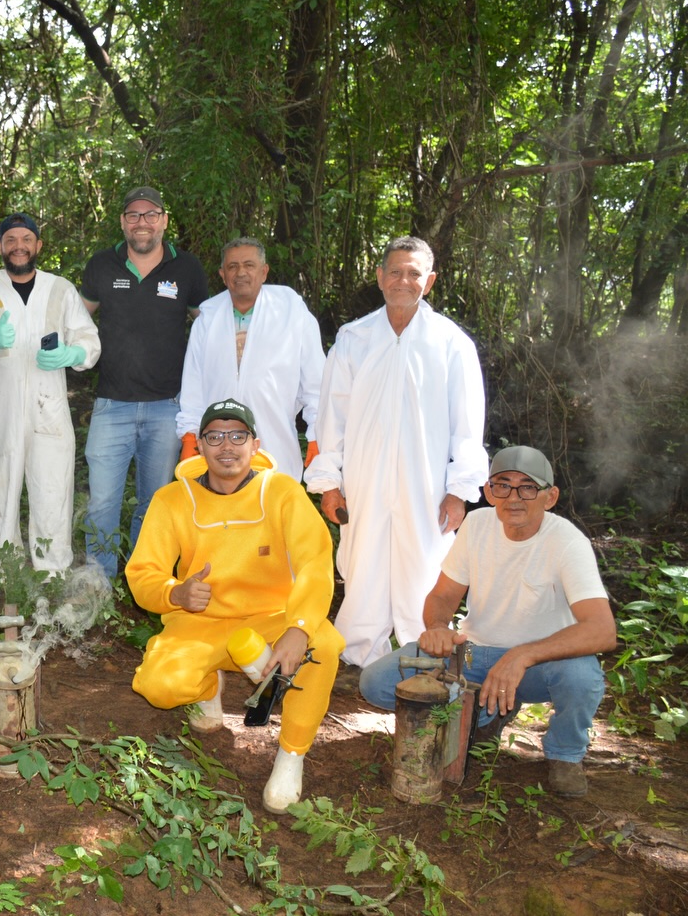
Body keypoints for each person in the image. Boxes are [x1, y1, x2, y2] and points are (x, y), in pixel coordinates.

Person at [359, 447, 615, 798]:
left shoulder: (567, 542)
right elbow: (443, 596)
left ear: (550, 496)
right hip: (472, 654)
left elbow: (602, 630)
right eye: (503, 485)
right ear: (489, 492)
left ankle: (565, 754)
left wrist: (521, 655)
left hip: (539, 666)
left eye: (528, 487)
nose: (514, 497)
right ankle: (478, 716)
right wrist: (437, 627)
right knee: (376, 683)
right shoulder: (478, 524)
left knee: (582, 676)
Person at [126, 399, 343, 813]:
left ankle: (291, 755)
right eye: (215, 436)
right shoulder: (172, 499)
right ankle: (208, 688)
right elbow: (142, 572)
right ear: (199, 446)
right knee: (159, 687)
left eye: (237, 435)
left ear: (255, 444)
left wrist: (299, 627)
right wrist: (176, 593)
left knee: (324, 646)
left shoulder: (281, 492)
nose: (227, 445)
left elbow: (315, 563)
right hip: (199, 621)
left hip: (271, 618)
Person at [304, 236, 489, 667]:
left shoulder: (450, 342)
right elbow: (332, 418)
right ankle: (358, 660)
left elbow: (467, 424)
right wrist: (329, 483)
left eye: (414, 273)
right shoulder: (354, 338)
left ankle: (425, 659)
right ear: (379, 276)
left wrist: (460, 490)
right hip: (363, 481)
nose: (403, 281)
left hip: (426, 485)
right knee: (362, 566)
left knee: (424, 569)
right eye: (395, 271)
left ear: (430, 281)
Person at [0, 213, 101, 572]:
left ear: (38, 245)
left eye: (26, 239)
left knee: (52, 487)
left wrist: (71, 354)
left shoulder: (60, 289)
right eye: (11, 240)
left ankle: (53, 569)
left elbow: (89, 340)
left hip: (49, 408)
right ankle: (7, 568)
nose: (19, 246)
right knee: (0, 486)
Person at [82, 186, 211, 578]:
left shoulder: (187, 268)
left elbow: (208, 327)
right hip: (111, 404)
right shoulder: (101, 265)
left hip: (166, 407)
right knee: (102, 502)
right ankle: (99, 581)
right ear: (123, 222)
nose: (143, 222)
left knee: (154, 502)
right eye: (134, 215)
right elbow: (76, 320)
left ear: (164, 221)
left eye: (151, 214)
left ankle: (144, 578)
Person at [176, 237, 324, 482]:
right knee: (220, 504)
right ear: (223, 275)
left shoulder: (291, 312)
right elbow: (193, 386)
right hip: (218, 444)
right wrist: (190, 436)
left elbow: (316, 384)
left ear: (264, 271)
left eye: (249, 265)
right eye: (232, 266)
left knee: (274, 501)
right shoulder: (208, 318)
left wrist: (317, 435)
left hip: (274, 438)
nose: (241, 272)